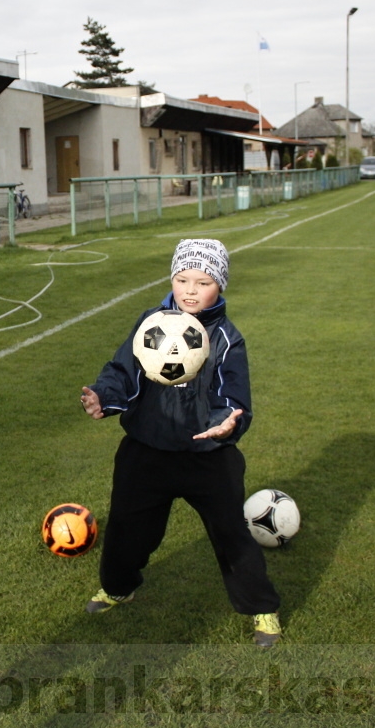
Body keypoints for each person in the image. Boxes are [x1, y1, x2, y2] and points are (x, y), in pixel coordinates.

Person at [79, 238, 282, 647]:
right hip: (147, 451)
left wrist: (227, 423)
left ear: (220, 286)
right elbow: (124, 370)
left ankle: (262, 608)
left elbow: (234, 396)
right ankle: (119, 586)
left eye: (203, 281)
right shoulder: (150, 322)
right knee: (127, 528)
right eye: (182, 278)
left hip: (208, 457)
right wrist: (105, 396)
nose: (190, 289)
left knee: (230, 534)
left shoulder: (226, 339)